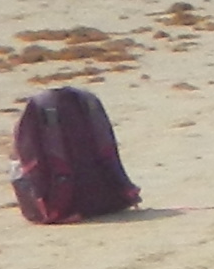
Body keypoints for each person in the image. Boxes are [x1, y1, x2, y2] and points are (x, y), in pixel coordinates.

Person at [11, 83, 140, 224]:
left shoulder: (41, 105)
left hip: (59, 204)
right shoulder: (87, 99)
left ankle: (54, 206)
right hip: (110, 197)